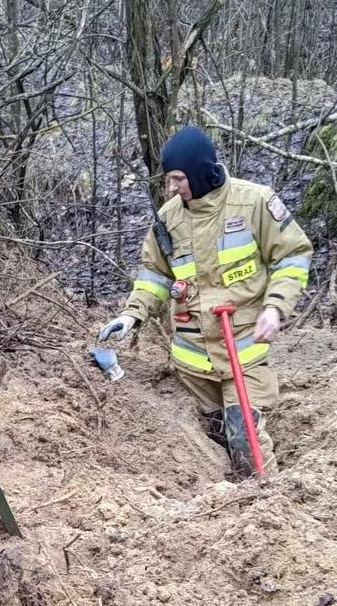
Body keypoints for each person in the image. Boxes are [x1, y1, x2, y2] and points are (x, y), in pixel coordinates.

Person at [100, 125, 313, 476]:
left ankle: (266, 503)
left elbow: (292, 256)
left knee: (245, 438)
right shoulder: (168, 219)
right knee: (210, 441)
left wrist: (275, 306)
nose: (172, 187)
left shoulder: (254, 202)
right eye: (169, 179)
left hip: (243, 355)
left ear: (200, 172)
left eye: (178, 178)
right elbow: (154, 275)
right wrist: (132, 315)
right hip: (193, 364)